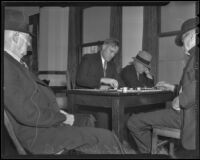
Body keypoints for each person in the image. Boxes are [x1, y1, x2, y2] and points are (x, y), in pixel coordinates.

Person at [3, 9, 125, 155]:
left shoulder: (15, 63)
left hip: (44, 123)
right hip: (38, 134)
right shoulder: (6, 65)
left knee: (88, 122)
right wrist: (62, 117)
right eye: (27, 39)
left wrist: (59, 114)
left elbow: (30, 101)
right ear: (15, 37)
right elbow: (27, 114)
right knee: (108, 137)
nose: (29, 45)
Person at [127, 17, 198, 157]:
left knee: (134, 122)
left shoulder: (196, 56)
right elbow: (191, 85)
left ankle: (156, 153)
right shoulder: (127, 71)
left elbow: (192, 91)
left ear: (193, 36)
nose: (183, 47)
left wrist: (181, 100)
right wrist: (172, 87)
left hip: (188, 116)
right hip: (188, 113)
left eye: (183, 40)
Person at [76, 38, 124, 129]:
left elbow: (120, 82)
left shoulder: (112, 65)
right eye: (111, 51)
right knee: (105, 113)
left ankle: (114, 140)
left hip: (104, 100)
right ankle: (104, 141)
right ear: (104, 46)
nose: (112, 55)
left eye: (115, 53)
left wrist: (129, 88)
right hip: (86, 100)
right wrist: (102, 80)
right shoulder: (88, 58)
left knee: (122, 112)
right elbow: (80, 79)